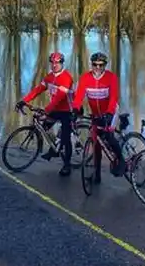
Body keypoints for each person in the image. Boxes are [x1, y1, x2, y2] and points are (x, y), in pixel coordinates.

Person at [15, 52, 75, 177]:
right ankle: (54, 149)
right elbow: (37, 90)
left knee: (65, 138)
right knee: (44, 127)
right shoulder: (49, 77)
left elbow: (58, 98)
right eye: (52, 63)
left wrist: (46, 110)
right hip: (55, 108)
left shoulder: (66, 78)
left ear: (62, 63)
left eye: (57, 63)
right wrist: (24, 100)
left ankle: (67, 165)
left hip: (68, 110)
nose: (54, 65)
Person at [71, 51, 126, 184]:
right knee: (96, 144)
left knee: (108, 135)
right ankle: (97, 174)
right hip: (96, 114)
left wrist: (109, 113)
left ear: (105, 65)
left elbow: (113, 97)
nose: (98, 68)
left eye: (101, 65)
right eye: (95, 65)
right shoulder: (85, 78)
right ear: (91, 64)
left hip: (110, 111)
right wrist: (75, 108)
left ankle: (122, 161)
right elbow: (79, 97)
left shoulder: (111, 77)